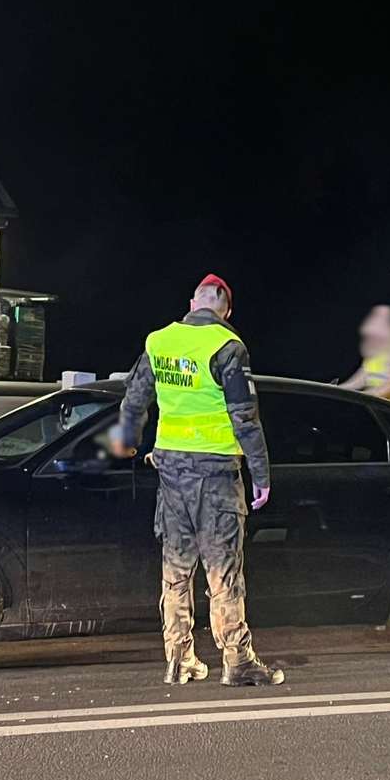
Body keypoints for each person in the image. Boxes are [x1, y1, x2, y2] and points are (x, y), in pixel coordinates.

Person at [112, 274, 284, 687]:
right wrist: (261, 474)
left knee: (176, 567)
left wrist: (127, 441)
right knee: (223, 570)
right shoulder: (227, 345)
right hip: (216, 473)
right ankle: (237, 661)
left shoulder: (159, 341)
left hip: (171, 472)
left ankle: (178, 659)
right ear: (226, 309)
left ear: (193, 302)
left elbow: (134, 399)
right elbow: (245, 417)